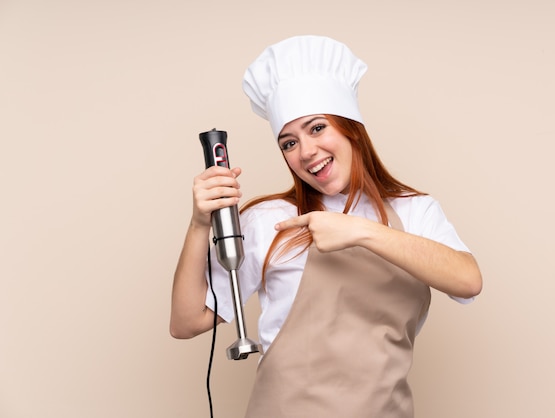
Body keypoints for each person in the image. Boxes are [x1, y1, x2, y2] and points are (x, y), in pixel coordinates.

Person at [170, 35, 482, 418]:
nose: (306, 152)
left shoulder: (414, 211)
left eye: (317, 128)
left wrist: (361, 231)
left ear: (351, 127)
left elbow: (468, 280)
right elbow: (186, 322)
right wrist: (200, 223)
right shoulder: (270, 220)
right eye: (288, 143)